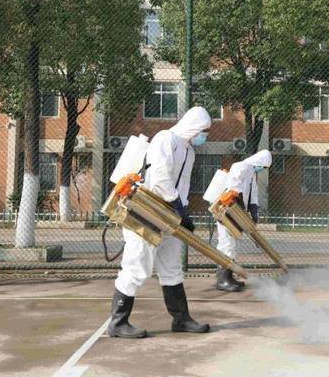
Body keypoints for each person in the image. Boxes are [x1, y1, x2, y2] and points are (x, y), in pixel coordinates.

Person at [108, 106, 212, 339]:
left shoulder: (189, 152)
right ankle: (118, 322)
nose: (205, 135)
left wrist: (182, 213)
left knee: (171, 266)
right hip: (145, 210)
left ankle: (181, 319)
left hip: (168, 214)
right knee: (138, 266)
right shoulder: (165, 139)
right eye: (204, 131)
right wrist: (179, 208)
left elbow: (182, 185)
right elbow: (159, 179)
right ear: (194, 127)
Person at [215, 149, 272, 292]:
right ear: (260, 162)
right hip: (227, 210)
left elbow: (253, 195)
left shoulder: (251, 172)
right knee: (226, 244)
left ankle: (228, 277)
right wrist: (240, 212)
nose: (262, 169)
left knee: (232, 245)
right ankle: (222, 280)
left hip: (236, 212)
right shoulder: (240, 166)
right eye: (264, 167)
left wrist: (253, 213)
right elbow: (233, 190)